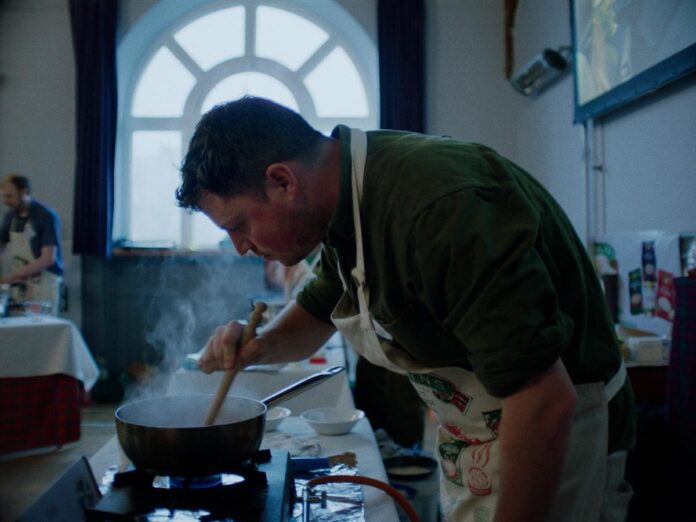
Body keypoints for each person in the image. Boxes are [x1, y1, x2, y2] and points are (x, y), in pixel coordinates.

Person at [176, 97, 635, 521]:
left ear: (283, 182)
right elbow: (317, 312)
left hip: (556, 435)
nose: (240, 247)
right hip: (483, 432)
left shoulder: (438, 209)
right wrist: (257, 345)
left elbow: (543, 399)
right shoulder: (342, 205)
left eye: (239, 225)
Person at [0, 174, 64, 315]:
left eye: (9, 196)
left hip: (44, 282)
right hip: (20, 282)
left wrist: (10, 277)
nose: (6, 201)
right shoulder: (10, 216)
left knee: (43, 324)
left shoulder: (45, 216)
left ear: (24, 192)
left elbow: (48, 258)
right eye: (4, 196)